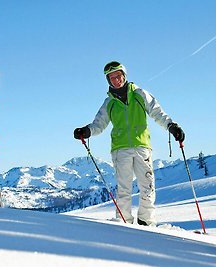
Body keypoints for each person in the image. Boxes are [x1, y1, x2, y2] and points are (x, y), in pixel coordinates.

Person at [73, 61, 185, 226]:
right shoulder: (109, 103)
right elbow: (99, 124)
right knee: (124, 189)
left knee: (147, 186)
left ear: (124, 76)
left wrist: (171, 126)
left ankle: (146, 222)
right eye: (112, 78)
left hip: (142, 146)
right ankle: (123, 224)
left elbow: (157, 112)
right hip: (120, 149)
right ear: (108, 81)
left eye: (118, 76)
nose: (116, 80)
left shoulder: (140, 94)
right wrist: (86, 131)